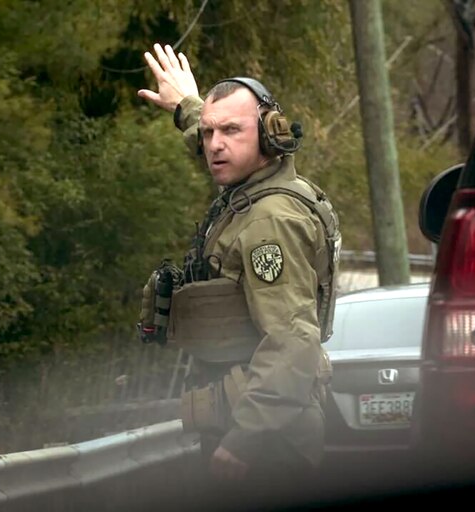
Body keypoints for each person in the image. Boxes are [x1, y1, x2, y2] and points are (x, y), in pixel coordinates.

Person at [137, 44, 340, 511]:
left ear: (269, 136)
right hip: (258, 423)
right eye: (208, 132)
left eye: (230, 130)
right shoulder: (258, 187)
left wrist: (244, 440)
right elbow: (217, 143)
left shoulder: (270, 221)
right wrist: (188, 107)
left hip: (268, 441)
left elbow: (292, 341)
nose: (214, 145)